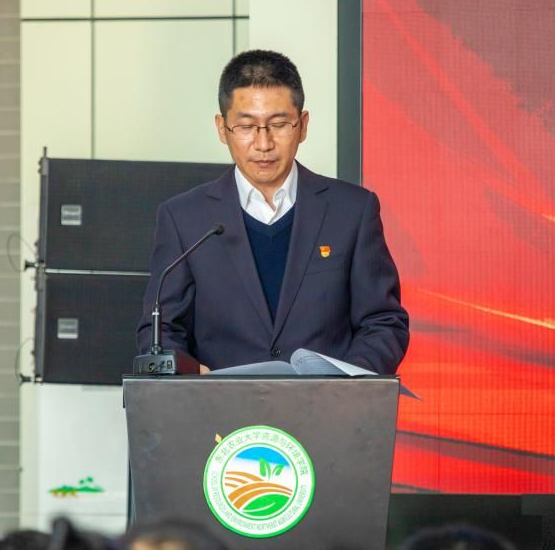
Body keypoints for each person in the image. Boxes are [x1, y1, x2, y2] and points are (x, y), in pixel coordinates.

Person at [136, 49, 409, 373]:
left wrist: (344, 383)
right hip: (219, 404)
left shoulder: (352, 211)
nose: (263, 144)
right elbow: (161, 331)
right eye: (246, 126)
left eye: (279, 124)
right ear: (222, 128)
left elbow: (383, 322)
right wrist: (189, 375)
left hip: (327, 402)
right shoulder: (184, 219)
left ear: (302, 125)